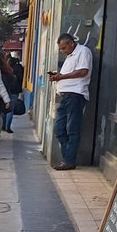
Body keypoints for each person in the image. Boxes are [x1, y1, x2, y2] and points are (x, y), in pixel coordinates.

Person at [49, 33, 92, 170]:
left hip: (76, 94)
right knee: (59, 129)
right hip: (65, 95)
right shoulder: (69, 56)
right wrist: (58, 77)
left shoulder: (83, 52)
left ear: (71, 43)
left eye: (63, 48)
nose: (62, 51)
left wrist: (61, 77)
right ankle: (66, 158)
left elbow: (83, 71)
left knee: (72, 129)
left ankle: (69, 161)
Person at [0, 51, 24, 133]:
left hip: (5, 91)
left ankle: (2, 126)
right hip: (14, 91)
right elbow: (20, 79)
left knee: (3, 109)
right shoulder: (18, 68)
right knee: (10, 110)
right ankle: (7, 127)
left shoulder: (3, 69)